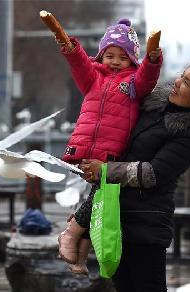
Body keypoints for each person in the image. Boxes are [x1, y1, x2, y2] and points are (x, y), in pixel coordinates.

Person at [68, 63, 190, 292]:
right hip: (116, 214)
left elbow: (153, 173)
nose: (178, 82)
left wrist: (105, 170)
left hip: (147, 223)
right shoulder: (150, 103)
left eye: (188, 83)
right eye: (182, 76)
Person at [56, 18, 163, 275]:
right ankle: (72, 240)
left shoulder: (133, 84)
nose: (115, 62)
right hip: (87, 148)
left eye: (123, 57)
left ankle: (76, 251)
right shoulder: (93, 79)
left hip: (111, 152)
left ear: (132, 61)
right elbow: (80, 64)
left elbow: (148, 78)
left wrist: (152, 60)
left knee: (98, 200)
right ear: (101, 55)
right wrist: (69, 47)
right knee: (97, 199)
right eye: (109, 55)